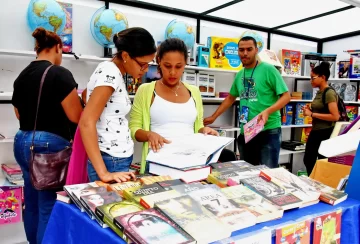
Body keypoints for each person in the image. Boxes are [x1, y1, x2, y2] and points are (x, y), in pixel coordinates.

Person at [12, 27, 83, 244]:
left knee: (31, 204)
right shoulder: (59, 73)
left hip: (22, 141)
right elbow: (76, 115)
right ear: (58, 48)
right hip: (48, 147)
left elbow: (18, 113)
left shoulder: (22, 76)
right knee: (48, 207)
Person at [129, 38, 218, 174]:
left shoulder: (194, 92)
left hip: (190, 163)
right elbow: (133, 129)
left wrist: (205, 131)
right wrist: (149, 135)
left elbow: (198, 126)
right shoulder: (146, 90)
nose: (172, 72)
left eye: (178, 66)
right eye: (167, 66)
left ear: (185, 64)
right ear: (159, 61)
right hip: (157, 164)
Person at [79, 27, 156, 182]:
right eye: (142, 64)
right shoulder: (111, 74)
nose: (145, 70)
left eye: (148, 64)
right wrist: (104, 174)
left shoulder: (108, 69)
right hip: (111, 161)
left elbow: (86, 96)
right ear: (126, 55)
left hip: (114, 157)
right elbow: (86, 122)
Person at [204, 36, 290, 168]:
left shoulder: (269, 70)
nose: (245, 53)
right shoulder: (240, 74)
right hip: (247, 131)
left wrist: (268, 111)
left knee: (269, 172)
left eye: (249, 49)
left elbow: (286, 96)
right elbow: (230, 98)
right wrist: (214, 117)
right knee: (248, 171)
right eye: (241, 50)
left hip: (268, 130)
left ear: (256, 50)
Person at [303, 62, 339, 174]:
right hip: (317, 130)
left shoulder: (329, 93)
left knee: (317, 160)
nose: (311, 81)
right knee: (309, 160)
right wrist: (310, 110)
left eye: (313, 78)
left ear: (323, 77)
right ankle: (313, 182)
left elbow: (335, 116)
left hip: (324, 132)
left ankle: (316, 184)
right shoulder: (320, 92)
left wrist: (312, 114)